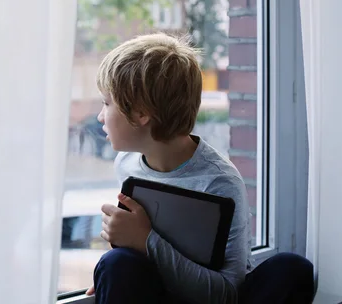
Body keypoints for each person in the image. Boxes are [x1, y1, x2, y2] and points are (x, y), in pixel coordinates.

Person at [85, 34, 314, 303]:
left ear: (140, 113)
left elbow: (228, 294)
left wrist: (146, 240)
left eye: (106, 103)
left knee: (291, 269)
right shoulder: (126, 164)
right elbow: (137, 260)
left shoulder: (219, 182)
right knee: (116, 263)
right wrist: (113, 274)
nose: (100, 116)